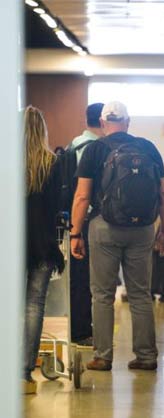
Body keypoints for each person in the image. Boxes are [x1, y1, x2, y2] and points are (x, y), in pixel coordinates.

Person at [70, 101, 164, 372]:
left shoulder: (95, 149)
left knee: (102, 294)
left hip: (104, 228)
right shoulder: (148, 148)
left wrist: (75, 233)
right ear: (128, 122)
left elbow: (82, 196)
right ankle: (146, 356)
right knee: (140, 294)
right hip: (142, 230)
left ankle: (103, 357)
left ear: (103, 123)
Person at [23, 106, 65, 394]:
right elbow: (54, 210)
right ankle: (24, 372)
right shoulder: (51, 164)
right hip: (42, 245)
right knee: (34, 305)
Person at [66, 102, 104, 347]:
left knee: (78, 278)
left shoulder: (74, 145)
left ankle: (79, 329)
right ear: (102, 121)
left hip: (73, 218)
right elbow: (86, 193)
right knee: (89, 280)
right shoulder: (96, 149)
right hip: (89, 219)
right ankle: (82, 331)